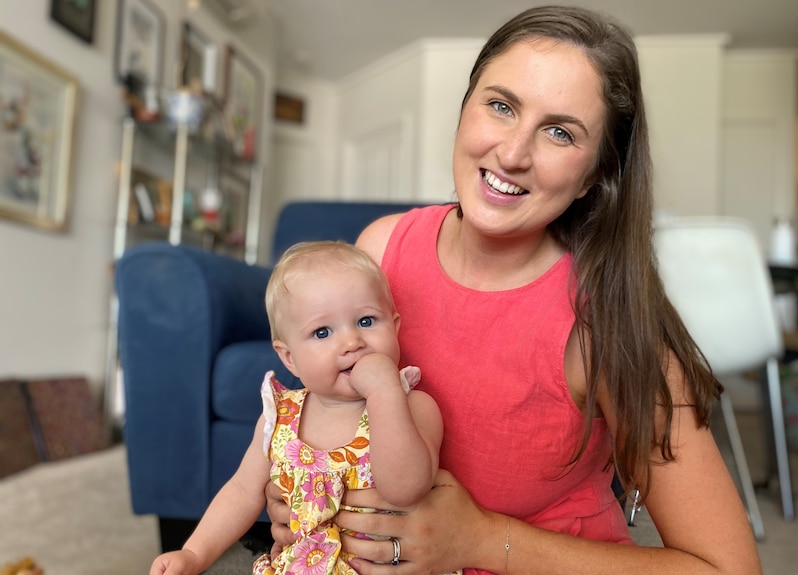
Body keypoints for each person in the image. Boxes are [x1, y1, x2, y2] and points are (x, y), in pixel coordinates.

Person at [265, 5, 763, 575]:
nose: (512, 153)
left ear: (597, 173)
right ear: (465, 109)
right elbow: (332, 413)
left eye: (559, 132)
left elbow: (729, 568)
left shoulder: (607, 325)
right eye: (501, 106)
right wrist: (305, 491)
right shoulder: (381, 251)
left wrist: (480, 539)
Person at [150, 241, 447, 575]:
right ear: (289, 358)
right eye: (322, 332)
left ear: (394, 328)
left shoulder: (413, 406)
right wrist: (194, 553)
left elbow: (405, 489)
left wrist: (384, 392)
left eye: (366, 321)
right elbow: (242, 492)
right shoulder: (280, 416)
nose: (352, 343)